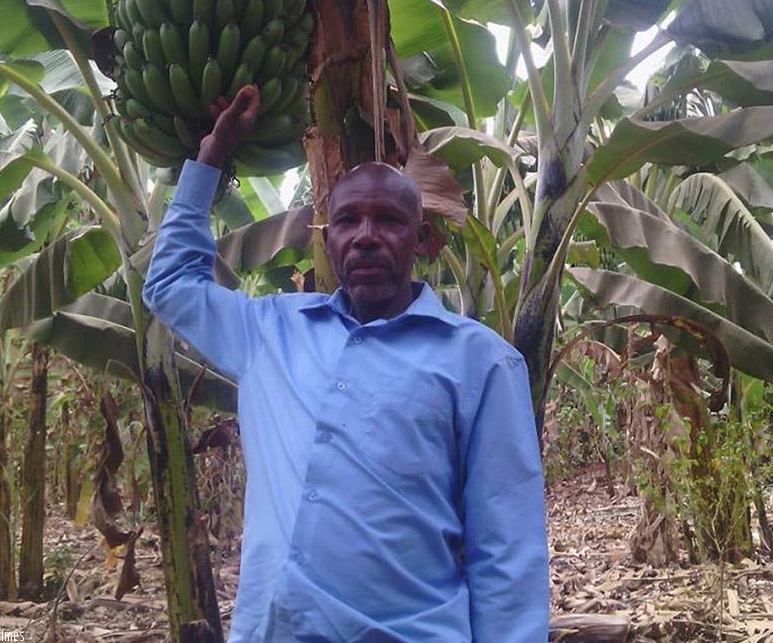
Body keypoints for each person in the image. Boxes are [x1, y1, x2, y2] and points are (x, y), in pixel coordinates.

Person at [143, 85, 549, 643]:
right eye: (347, 221)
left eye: (388, 220)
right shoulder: (269, 331)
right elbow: (169, 286)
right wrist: (211, 158)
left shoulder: (481, 364)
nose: (365, 237)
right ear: (328, 241)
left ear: (423, 240)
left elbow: (506, 546)